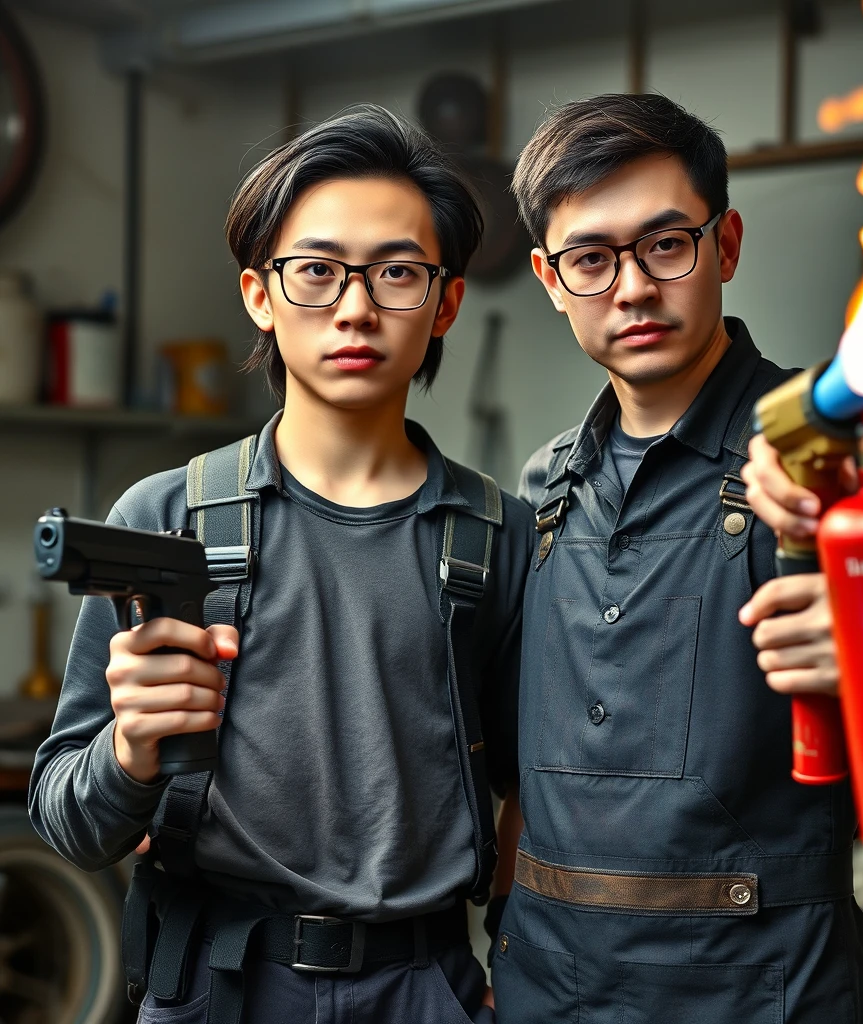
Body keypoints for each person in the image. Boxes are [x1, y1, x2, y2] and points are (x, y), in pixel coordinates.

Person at [492, 92, 863, 1023]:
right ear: (549, 277)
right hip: (548, 986)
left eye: (665, 244)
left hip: (760, 990)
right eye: (591, 260)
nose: (634, 287)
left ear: (724, 245)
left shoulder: (841, 443)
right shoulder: (545, 488)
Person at [29, 106, 532, 1024]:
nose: (354, 307)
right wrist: (133, 750)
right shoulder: (163, 519)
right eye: (317, 271)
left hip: (426, 989)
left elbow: (533, 791)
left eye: (396, 274)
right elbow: (69, 822)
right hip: (214, 986)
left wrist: (520, 961)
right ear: (260, 294)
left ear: (446, 302)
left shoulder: (501, 538)